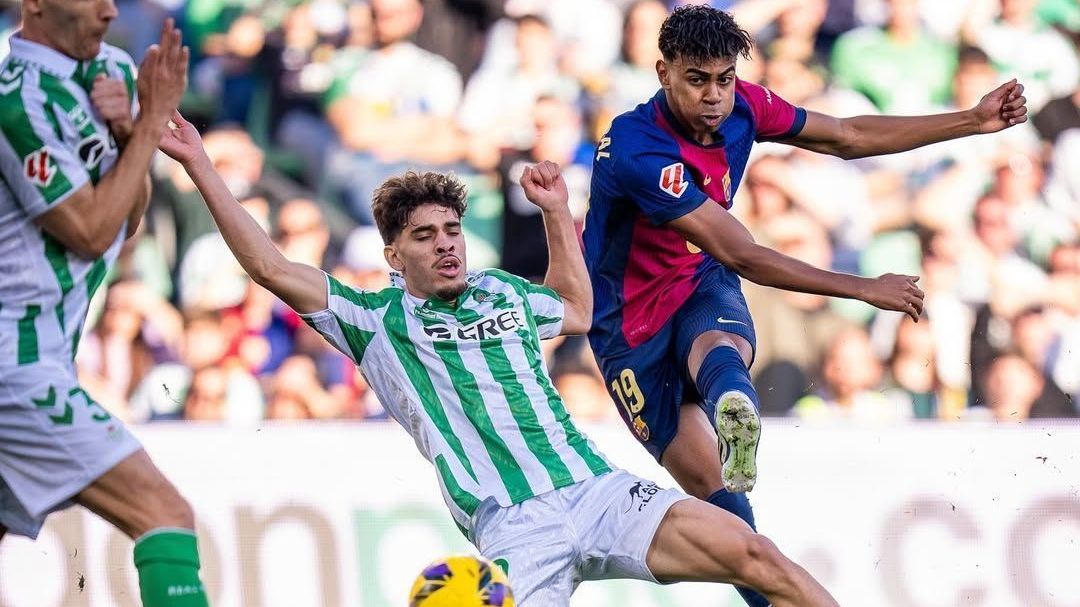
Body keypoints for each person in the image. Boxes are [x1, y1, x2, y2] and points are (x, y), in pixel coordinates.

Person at [159, 110, 840, 607]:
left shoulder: (502, 292)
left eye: (452, 230)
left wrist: (556, 212)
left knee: (754, 552)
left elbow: (575, 309)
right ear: (394, 255)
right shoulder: (374, 321)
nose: (446, 244)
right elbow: (271, 266)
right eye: (425, 236)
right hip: (516, 529)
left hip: (595, 487)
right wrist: (200, 166)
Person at [584, 5, 1028, 606]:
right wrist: (862, 287)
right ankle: (729, 399)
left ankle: (731, 401)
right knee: (734, 527)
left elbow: (847, 136)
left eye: (724, 79)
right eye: (697, 80)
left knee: (714, 334)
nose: (714, 96)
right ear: (663, 73)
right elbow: (744, 253)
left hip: (697, 279)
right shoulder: (639, 149)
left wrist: (971, 121)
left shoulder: (743, 106)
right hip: (628, 329)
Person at [0, 3, 209, 606]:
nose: (110, 9)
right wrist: (149, 124)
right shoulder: (17, 101)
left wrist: (126, 134)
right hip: (15, 365)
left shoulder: (111, 68)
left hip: (44, 356)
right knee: (164, 512)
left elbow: (128, 218)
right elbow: (90, 233)